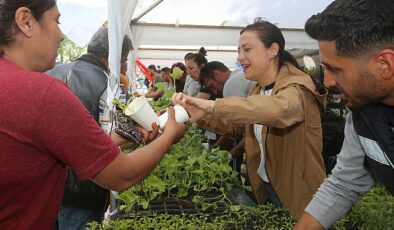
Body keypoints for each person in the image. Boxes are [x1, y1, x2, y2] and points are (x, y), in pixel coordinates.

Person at [0, 1, 185, 229]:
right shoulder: (41, 91)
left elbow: (25, 159)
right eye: (56, 21)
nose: (61, 35)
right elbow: (121, 175)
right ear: (26, 21)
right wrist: (169, 136)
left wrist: (106, 144)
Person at [172, 20, 327, 217]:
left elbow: (279, 110)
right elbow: (237, 126)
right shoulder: (258, 89)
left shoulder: (298, 86)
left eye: (247, 50)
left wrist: (212, 104)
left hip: (296, 192)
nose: (240, 57)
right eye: (239, 51)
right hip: (267, 187)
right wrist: (202, 115)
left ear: (273, 50)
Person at [294, 0, 394, 229]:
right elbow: (342, 185)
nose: (328, 82)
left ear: (385, 64)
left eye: (335, 69)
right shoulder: (362, 116)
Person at [47, 27, 134, 229]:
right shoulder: (111, 88)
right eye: (124, 59)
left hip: (47, 186)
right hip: (86, 190)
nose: (124, 66)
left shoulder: (50, 72)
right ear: (115, 56)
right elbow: (121, 134)